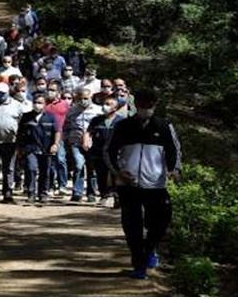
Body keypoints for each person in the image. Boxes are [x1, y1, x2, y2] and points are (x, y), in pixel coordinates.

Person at [104, 89, 182, 280]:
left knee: (160, 223)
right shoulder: (123, 126)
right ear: (135, 105)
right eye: (141, 105)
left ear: (155, 105)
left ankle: (149, 249)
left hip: (156, 185)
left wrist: (174, 169)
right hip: (128, 184)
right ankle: (139, 265)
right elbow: (109, 151)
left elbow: (174, 150)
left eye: (149, 105)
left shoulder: (164, 126)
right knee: (132, 227)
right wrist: (117, 172)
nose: (145, 109)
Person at [16, 93, 58, 203]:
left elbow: (57, 132)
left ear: (45, 104)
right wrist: (19, 148)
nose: (37, 105)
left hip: (46, 149)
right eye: (35, 102)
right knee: (31, 169)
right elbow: (20, 133)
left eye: (40, 103)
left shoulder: (51, 117)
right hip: (30, 148)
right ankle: (31, 193)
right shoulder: (26, 117)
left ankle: (43, 193)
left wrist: (55, 144)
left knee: (45, 172)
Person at [63, 87, 103, 202]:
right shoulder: (71, 111)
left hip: (93, 144)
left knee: (92, 168)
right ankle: (77, 192)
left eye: (86, 98)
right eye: (81, 98)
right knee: (78, 165)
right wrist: (66, 140)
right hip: (76, 142)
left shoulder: (98, 110)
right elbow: (66, 126)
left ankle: (91, 193)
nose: (83, 101)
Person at [86, 94, 124, 207]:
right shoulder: (96, 120)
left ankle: (117, 197)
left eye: (108, 104)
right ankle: (104, 195)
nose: (105, 106)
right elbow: (89, 132)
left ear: (115, 108)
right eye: (104, 104)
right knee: (101, 174)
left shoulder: (121, 121)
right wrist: (86, 140)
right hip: (98, 152)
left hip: (115, 154)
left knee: (115, 175)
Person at [44, 80, 69, 195]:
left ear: (59, 92)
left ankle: (62, 185)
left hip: (60, 136)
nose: (50, 92)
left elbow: (70, 119)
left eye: (53, 90)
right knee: (49, 162)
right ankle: (50, 185)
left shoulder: (65, 104)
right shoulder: (43, 103)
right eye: (48, 89)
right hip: (46, 136)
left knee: (61, 160)